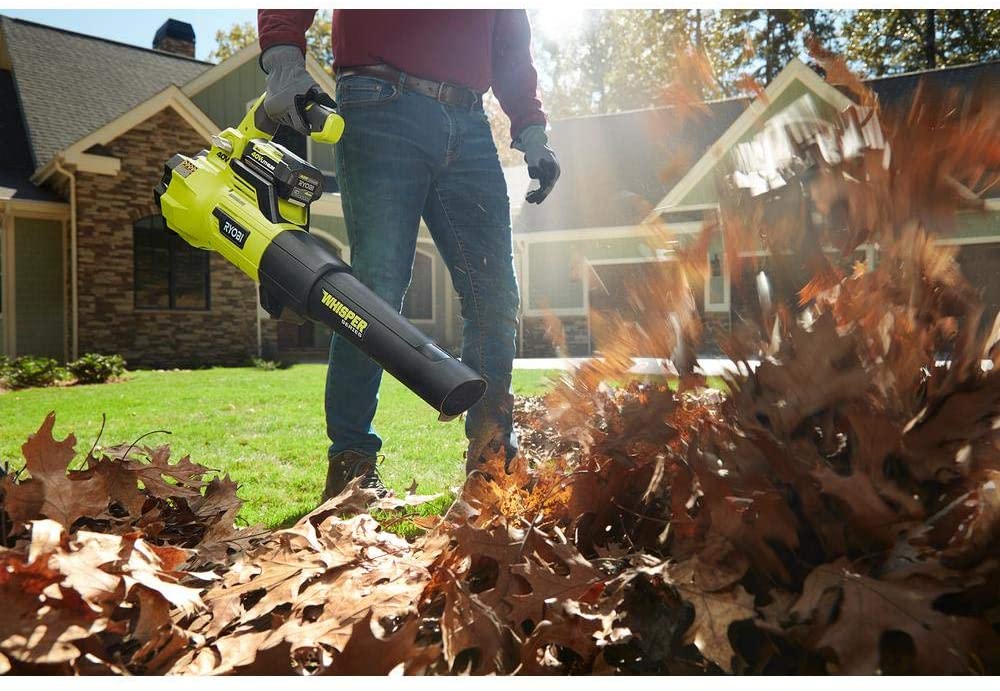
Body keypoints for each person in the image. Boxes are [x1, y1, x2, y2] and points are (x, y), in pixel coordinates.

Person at [257, 9, 560, 500]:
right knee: (375, 289)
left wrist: (532, 131)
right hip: (378, 100)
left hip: (469, 117)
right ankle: (351, 462)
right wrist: (285, 63)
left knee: (496, 292)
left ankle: (492, 458)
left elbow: (510, 43)